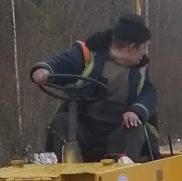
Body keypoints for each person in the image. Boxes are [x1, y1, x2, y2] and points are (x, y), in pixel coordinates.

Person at [30, 14, 160, 163]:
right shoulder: (87, 54)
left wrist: (135, 111)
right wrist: (44, 70)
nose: (145, 53)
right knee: (62, 121)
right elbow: (62, 62)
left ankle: (122, 172)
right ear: (131, 48)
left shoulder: (141, 68)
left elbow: (149, 94)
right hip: (85, 130)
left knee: (135, 128)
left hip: (119, 131)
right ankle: (71, 169)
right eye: (144, 47)